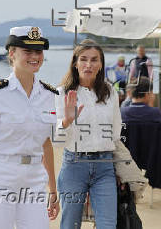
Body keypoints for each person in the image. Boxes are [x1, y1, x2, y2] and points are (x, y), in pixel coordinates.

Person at [0, 26, 60, 228]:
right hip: (0, 176)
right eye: (28, 51)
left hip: (35, 178)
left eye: (39, 51)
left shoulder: (50, 95)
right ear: (12, 53)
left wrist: (52, 190)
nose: (35, 56)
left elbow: (46, 145)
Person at [55, 39, 122, 229]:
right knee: (70, 224)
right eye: (83, 59)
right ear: (75, 63)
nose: (89, 64)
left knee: (108, 224)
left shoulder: (110, 92)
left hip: (105, 167)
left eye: (94, 60)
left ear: (101, 64)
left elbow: (116, 132)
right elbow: (56, 141)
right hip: (74, 166)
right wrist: (66, 122)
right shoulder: (62, 93)